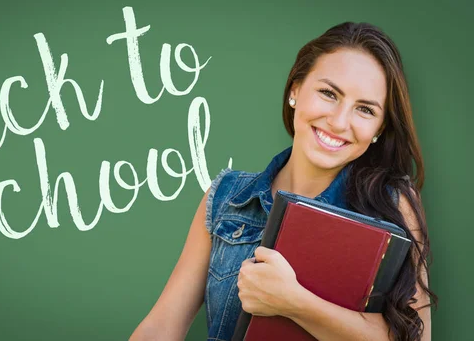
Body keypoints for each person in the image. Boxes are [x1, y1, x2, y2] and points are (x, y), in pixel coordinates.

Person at [129, 22, 437, 341]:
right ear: (295, 91)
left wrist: (293, 303)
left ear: (379, 129)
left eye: (365, 109)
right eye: (329, 93)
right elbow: (162, 325)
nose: (339, 121)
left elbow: (416, 337)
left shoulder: (393, 203)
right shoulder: (225, 196)